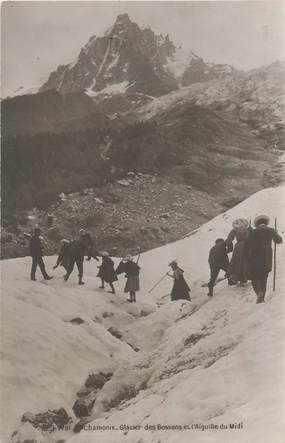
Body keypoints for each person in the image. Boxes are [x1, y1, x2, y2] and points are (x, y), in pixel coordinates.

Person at [244, 214, 282, 304]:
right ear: (266, 223)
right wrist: (275, 233)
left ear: (257, 224)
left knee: (254, 277)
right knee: (264, 277)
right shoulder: (271, 230)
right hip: (266, 258)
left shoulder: (253, 232)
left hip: (254, 257)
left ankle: (259, 293)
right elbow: (279, 241)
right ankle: (262, 298)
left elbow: (246, 246)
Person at [226, 219, 250, 285]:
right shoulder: (248, 229)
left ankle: (236, 278)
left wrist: (226, 245)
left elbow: (229, 240)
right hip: (248, 245)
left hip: (239, 247)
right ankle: (244, 278)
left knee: (236, 262)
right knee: (245, 261)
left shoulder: (234, 230)